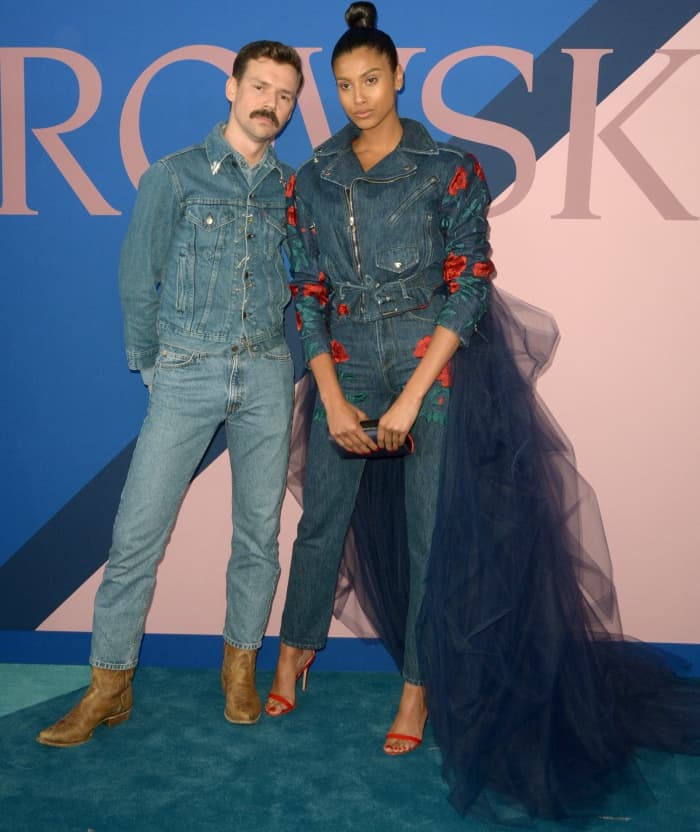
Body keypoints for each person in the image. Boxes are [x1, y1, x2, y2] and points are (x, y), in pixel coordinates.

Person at [266, 3, 700, 823]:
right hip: (345, 363)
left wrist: (410, 394)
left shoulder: (449, 168)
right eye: (343, 85)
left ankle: (418, 688)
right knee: (323, 520)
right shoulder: (313, 179)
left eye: (371, 80)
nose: (358, 97)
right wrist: (326, 389)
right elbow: (306, 290)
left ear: (398, 76)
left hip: (434, 367)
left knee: (435, 531)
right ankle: (292, 655)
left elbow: (470, 282)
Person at [37, 40, 304, 747]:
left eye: (284, 95)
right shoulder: (174, 177)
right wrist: (157, 367)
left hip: (268, 372)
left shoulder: (292, 187)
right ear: (230, 87)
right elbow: (137, 278)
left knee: (258, 536)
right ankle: (109, 685)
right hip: (187, 372)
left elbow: (306, 280)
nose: (269, 104)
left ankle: (239, 670)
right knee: (135, 538)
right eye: (259, 87)